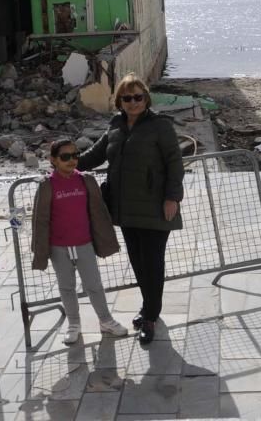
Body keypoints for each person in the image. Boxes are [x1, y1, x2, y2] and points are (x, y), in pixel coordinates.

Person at [77, 72, 185, 345]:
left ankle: (150, 315)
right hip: (125, 209)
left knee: (153, 262)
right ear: (120, 101)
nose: (133, 102)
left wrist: (172, 197)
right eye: (128, 98)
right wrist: (66, 164)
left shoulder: (159, 125)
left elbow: (175, 162)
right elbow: (94, 156)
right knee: (138, 261)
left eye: (138, 97)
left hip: (155, 207)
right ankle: (148, 307)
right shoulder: (116, 125)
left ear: (146, 98)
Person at [30, 139, 128, 344]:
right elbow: (40, 220)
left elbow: (98, 212)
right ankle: (74, 324)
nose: (72, 160)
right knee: (66, 287)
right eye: (65, 157)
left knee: (94, 285)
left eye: (75, 155)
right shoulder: (47, 185)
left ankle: (106, 320)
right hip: (59, 247)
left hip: (84, 244)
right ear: (53, 160)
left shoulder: (85, 180)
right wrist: (41, 251)